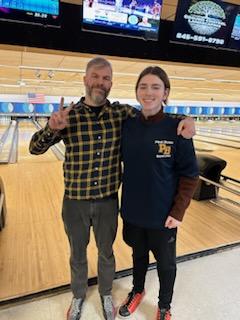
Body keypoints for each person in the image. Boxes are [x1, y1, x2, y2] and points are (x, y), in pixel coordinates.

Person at [29, 57, 195, 320]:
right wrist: (50, 129)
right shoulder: (69, 116)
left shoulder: (122, 114)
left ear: (111, 83)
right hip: (75, 201)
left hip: (108, 201)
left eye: (106, 78)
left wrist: (188, 118)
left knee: (107, 253)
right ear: (85, 80)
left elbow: (154, 115)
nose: (100, 82)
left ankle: (107, 294)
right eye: (95, 76)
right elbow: (34, 148)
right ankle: (78, 296)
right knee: (77, 254)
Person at [119, 66, 199, 320]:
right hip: (133, 211)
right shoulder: (128, 124)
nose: (148, 92)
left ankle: (164, 306)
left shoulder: (177, 128)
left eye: (155, 87)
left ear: (165, 93)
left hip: (164, 216)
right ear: (136, 91)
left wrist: (178, 212)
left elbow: (190, 175)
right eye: (143, 86)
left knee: (166, 265)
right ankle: (137, 291)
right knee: (138, 255)